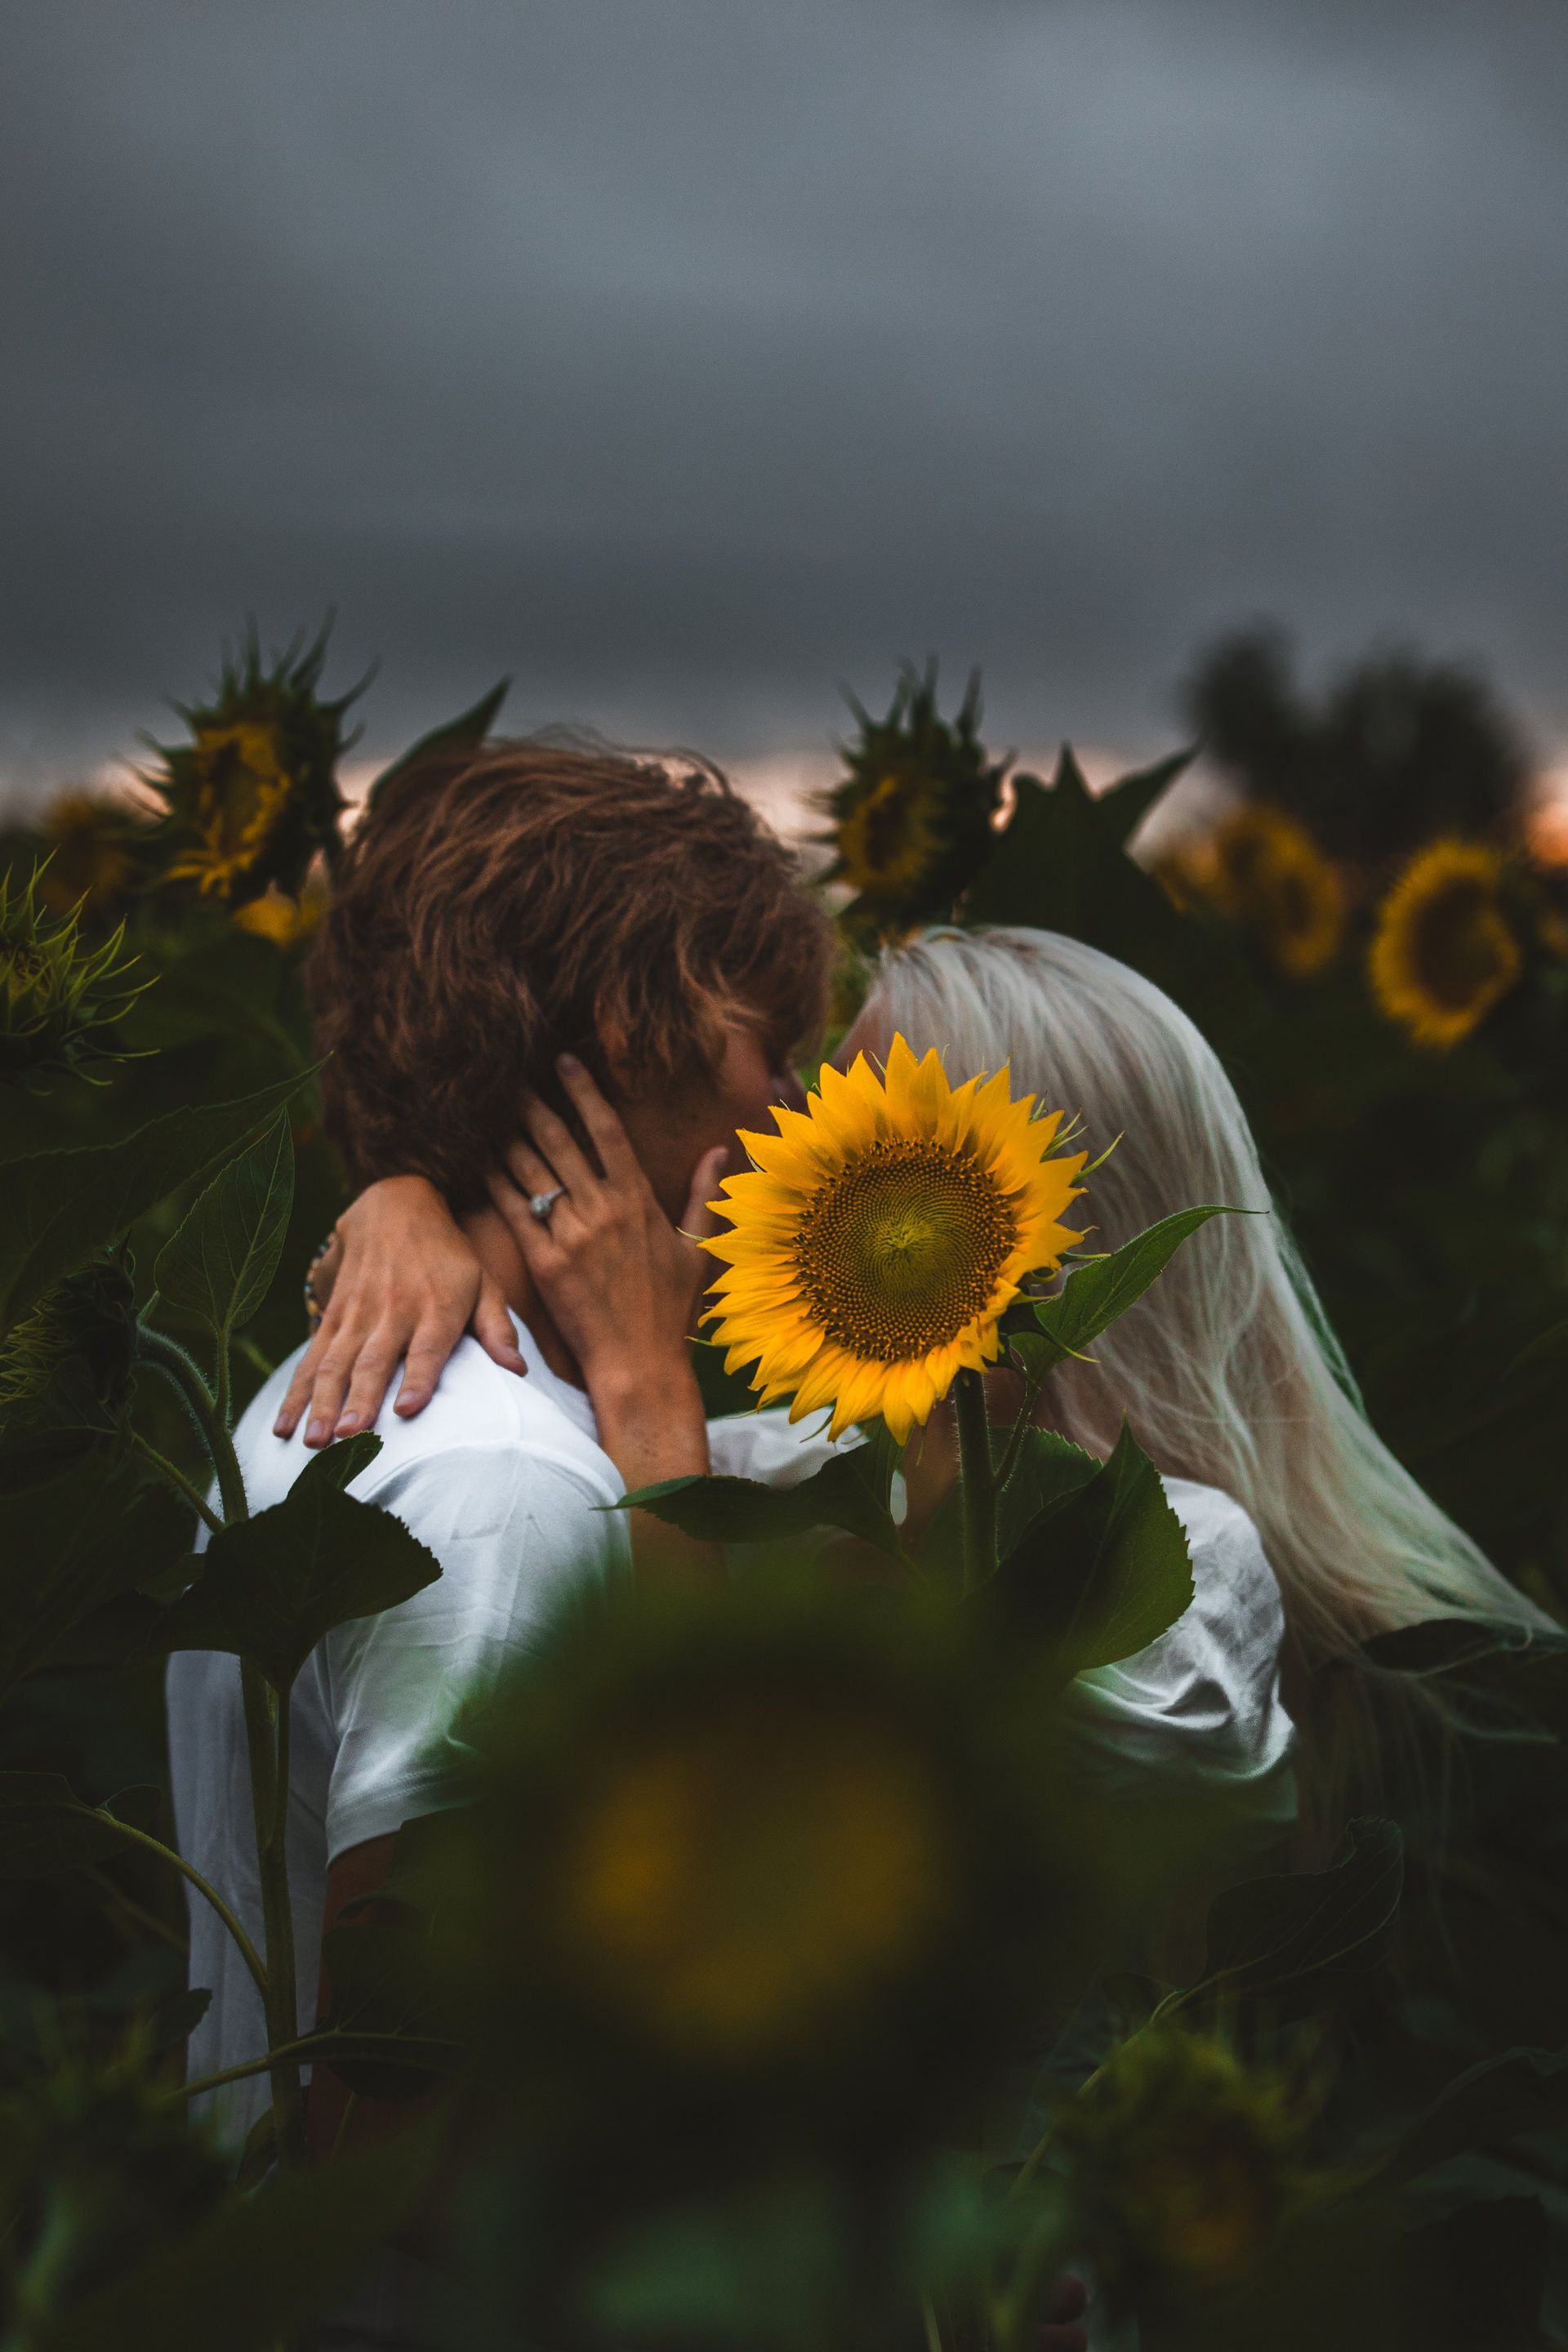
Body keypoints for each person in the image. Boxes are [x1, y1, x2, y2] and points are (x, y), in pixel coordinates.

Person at [296, 922, 1554, 1838]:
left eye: (854, 1137)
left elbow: (750, 1863)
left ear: (1042, 1216)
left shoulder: (1168, 1574)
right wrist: (407, 1201)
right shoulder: (791, 1475)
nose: (778, 1157)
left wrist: (645, 1384)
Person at [163, 738, 840, 2345]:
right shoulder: (498, 1497)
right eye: (770, 1044)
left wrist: (645, 1384)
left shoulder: (354, 1400)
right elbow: (400, 2136)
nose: (796, 1102)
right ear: (632, 1019)